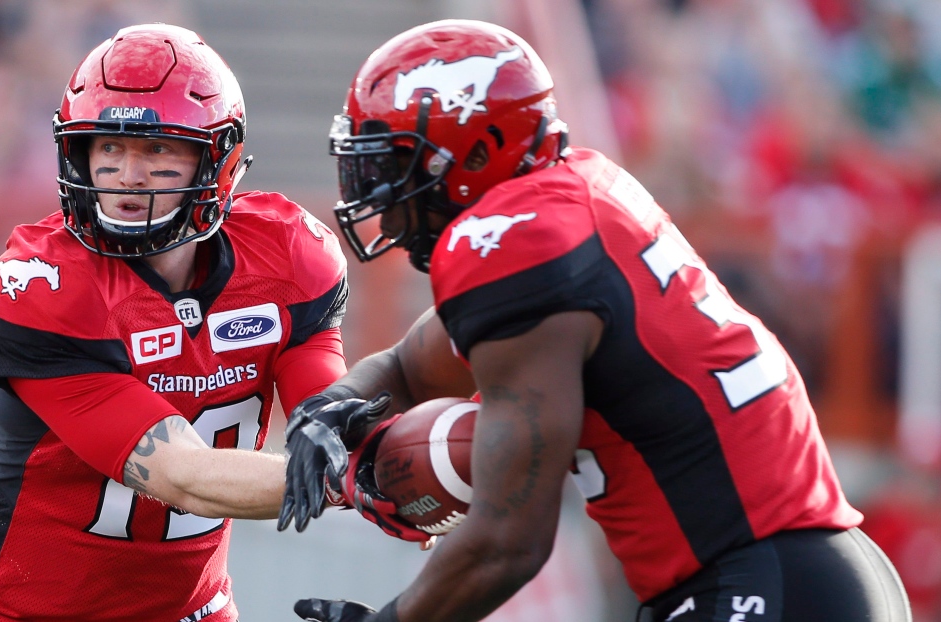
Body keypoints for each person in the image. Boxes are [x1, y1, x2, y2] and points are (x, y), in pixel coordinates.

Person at [278, 19, 912, 622]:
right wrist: (334, 403)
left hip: (761, 582)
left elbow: (508, 543)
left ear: (474, 154)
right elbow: (408, 368)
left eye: (396, 171)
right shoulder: (571, 197)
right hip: (801, 572)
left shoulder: (514, 247)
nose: (386, 213)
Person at [0, 23, 353, 622]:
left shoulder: (287, 254)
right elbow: (183, 475)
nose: (128, 174)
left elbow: (329, 418)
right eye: (109, 147)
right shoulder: (42, 284)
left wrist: (409, 463)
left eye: (157, 149)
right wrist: (366, 481)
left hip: (194, 611)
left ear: (217, 159)